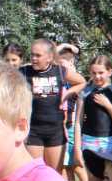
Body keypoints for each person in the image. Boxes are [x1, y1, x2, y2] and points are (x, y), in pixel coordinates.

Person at [21, 38, 85, 172]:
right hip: (33, 131)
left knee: (54, 174)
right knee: (34, 174)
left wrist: (67, 93)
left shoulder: (60, 71)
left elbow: (81, 82)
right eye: (32, 55)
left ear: (50, 57)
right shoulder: (24, 72)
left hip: (55, 131)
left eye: (38, 55)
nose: (33, 58)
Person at [56, 43, 89, 181]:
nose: (61, 66)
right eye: (59, 63)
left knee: (77, 167)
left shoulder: (77, 82)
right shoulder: (58, 78)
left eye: (65, 63)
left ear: (72, 64)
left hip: (72, 129)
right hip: (60, 128)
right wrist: (62, 46)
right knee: (64, 168)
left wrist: (67, 47)